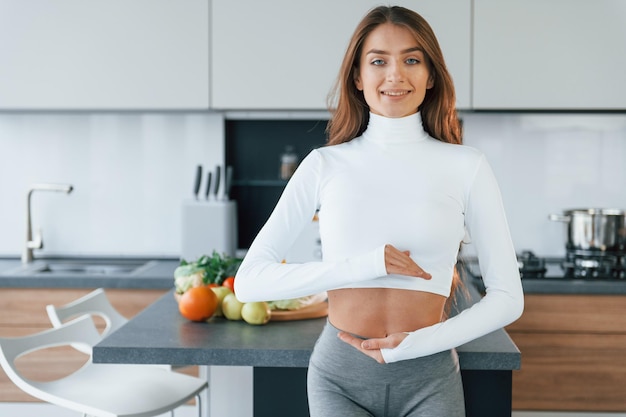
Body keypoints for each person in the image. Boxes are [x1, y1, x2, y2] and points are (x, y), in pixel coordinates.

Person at [235, 5, 523, 416]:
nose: (395, 75)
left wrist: (418, 345)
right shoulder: (323, 164)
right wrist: (364, 265)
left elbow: (509, 298)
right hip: (339, 380)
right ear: (358, 76)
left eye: (411, 59)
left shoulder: (467, 165)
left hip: (430, 377)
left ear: (430, 75)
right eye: (378, 61)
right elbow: (249, 283)